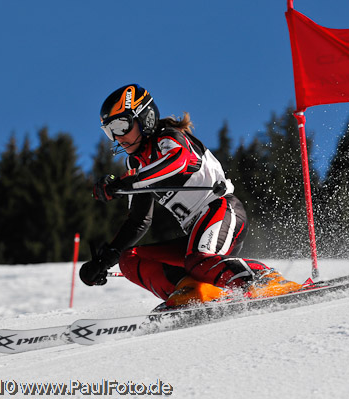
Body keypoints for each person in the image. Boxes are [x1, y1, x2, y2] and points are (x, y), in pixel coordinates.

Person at [80, 84, 301, 308]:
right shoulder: (137, 164)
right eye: (110, 131)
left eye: (121, 125)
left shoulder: (168, 138)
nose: (117, 137)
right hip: (197, 231)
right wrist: (104, 260)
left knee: (199, 261)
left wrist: (127, 183)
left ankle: (266, 280)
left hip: (222, 210)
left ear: (144, 119)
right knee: (130, 259)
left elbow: (179, 162)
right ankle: (192, 291)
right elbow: (139, 221)